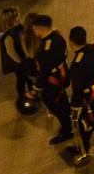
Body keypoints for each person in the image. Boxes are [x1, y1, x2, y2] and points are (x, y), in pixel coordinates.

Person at [67, 25, 94, 164]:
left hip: (89, 100)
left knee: (93, 123)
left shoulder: (77, 65)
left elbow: (78, 90)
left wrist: (74, 107)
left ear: (71, 42)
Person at [31, 14, 74, 144]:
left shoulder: (46, 49)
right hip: (61, 73)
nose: (34, 32)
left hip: (52, 81)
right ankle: (68, 120)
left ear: (40, 28)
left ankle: (67, 130)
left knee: (55, 105)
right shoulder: (57, 36)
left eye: (35, 29)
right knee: (63, 102)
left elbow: (44, 72)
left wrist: (35, 89)